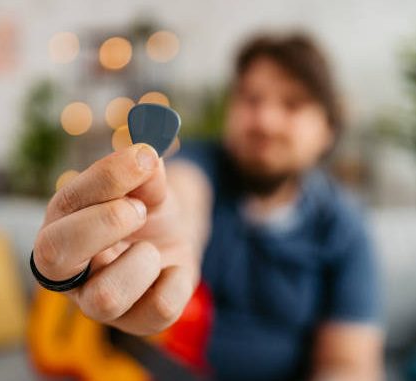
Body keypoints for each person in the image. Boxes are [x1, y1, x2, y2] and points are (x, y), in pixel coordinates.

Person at [31, 33, 384, 381]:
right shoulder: (201, 164)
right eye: (251, 99)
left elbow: (348, 364)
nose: (265, 120)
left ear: (327, 130)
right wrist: (163, 226)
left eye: (291, 104)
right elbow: (181, 197)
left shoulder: (343, 227)